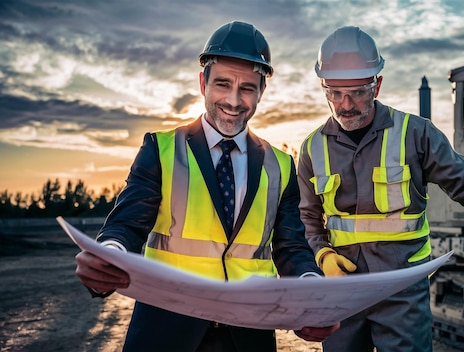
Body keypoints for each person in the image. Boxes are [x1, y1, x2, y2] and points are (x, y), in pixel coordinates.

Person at [297, 26, 464, 352]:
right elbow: (308, 219)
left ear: (377, 85)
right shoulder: (312, 147)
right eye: (334, 92)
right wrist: (323, 254)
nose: (345, 104)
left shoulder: (415, 134)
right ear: (323, 88)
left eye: (357, 91)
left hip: (401, 290)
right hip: (342, 291)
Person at [75, 21, 338, 352]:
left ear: (262, 91)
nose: (233, 100)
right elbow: (126, 226)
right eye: (222, 84)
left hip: (247, 335)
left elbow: (292, 249)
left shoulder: (281, 166)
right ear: (203, 82)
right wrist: (108, 256)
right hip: (166, 330)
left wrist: (311, 292)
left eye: (247, 88)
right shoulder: (161, 149)